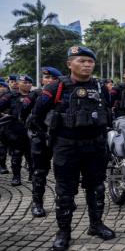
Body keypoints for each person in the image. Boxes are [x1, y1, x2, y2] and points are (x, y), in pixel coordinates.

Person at [30, 46, 115, 250]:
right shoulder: (55, 88)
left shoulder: (100, 87)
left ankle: (96, 225)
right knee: (66, 193)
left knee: (97, 188)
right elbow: (36, 116)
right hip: (66, 148)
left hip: (95, 146)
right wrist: (51, 137)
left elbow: (108, 111)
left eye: (90, 61)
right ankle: (64, 232)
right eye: (81, 60)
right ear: (69, 64)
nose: (87, 64)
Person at [28, 67, 63, 217]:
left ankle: (63, 200)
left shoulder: (64, 94)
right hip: (41, 137)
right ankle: (37, 203)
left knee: (62, 171)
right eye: (46, 78)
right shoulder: (36, 94)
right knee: (40, 171)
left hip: (59, 137)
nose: (48, 81)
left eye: (52, 79)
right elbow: (23, 112)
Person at [0, 74, 33, 185]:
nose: (27, 85)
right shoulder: (10, 96)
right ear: (18, 83)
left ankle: (32, 175)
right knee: (16, 154)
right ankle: (16, 177)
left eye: (29, 83)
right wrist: (4, 115)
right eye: (25, 83)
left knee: (31, 154)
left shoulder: (34, 96)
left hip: (31, 130)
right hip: (15, 131)